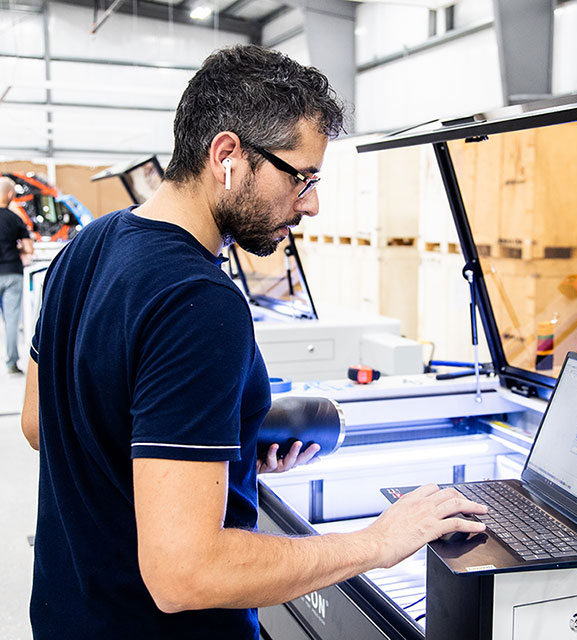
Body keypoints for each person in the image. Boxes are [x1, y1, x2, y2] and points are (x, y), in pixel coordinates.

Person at [21, 45, 486, 639]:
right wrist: (379, 540)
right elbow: (185, 574)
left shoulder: (86, 247)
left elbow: (42, 422)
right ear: (228, 156)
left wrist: (222, 445)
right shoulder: (199, 302)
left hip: (69, 617)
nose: (312, 203)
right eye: (302, 177)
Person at [0, 176, 33, 375]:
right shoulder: (15, 219)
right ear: (11, 194)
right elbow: (28, 248)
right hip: (12, 271)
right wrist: (19, 251)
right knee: (12, 319)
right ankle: (11, 363)